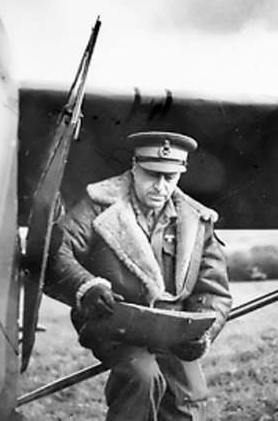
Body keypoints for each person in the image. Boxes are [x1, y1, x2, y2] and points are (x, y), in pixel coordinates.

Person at [45, 131, 232, 421]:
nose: (160, 186)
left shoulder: (198, 220)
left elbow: (214, 291)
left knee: (190, 400)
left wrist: (201, 333)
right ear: (134, 167)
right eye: (151, 174)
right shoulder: (98, 204)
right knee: (142, 377)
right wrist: (87, 286)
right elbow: (57, 250)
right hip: (113, 321)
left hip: (172, 331)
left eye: (170, 178)